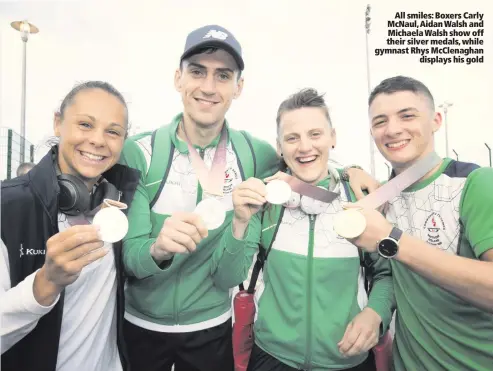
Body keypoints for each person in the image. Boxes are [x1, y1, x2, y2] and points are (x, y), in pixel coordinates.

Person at [119, 25, 279, 371]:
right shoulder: (141, 152)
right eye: (197, 72)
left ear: (239, 87)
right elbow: (129, 257)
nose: (208, 87)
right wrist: (157, 249)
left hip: (211, 328)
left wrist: (350, 171)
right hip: (141, 326)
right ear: (178, 78)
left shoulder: (256, 154)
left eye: (223, 75)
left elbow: (306, 162)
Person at [215, 88, 395, 371]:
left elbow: (386, 274)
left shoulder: (360, 199)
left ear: (332, 138)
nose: (304, 147)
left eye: (315, 134)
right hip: (272, 358)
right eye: (292, 138)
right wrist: (239, 222)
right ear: (279, 146)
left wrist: (375, 314)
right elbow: (227, 277)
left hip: (348, 361)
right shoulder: (263, 202)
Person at [346, 76, 493, 371]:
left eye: (407, 115)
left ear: (436, 120)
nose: (393, 129)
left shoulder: (476, 184)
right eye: (380, 121)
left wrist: (392, 239)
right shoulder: (383, 196)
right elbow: (389, 275)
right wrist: (348, 170)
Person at [1, 81, 140, 371]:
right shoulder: (8, 208)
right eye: (86, 124)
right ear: (57, 123)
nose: (98, 140)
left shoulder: (120, 203)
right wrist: (45, 283)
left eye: (113, 132)